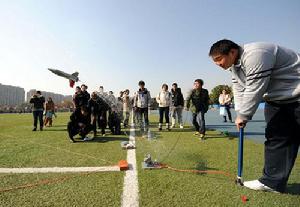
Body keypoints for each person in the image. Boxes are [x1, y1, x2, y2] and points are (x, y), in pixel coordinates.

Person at [209, 39, 300, 193]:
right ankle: (272, 182)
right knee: (276, 138)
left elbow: (255, 88)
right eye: (214, 61)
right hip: (277, 99)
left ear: (232, 52)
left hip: (296, 94)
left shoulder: (256, 54)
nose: (217, 64)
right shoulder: (234, 67)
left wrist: (244, 115)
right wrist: (240, 113)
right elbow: (238, 88)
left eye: (219, 59)